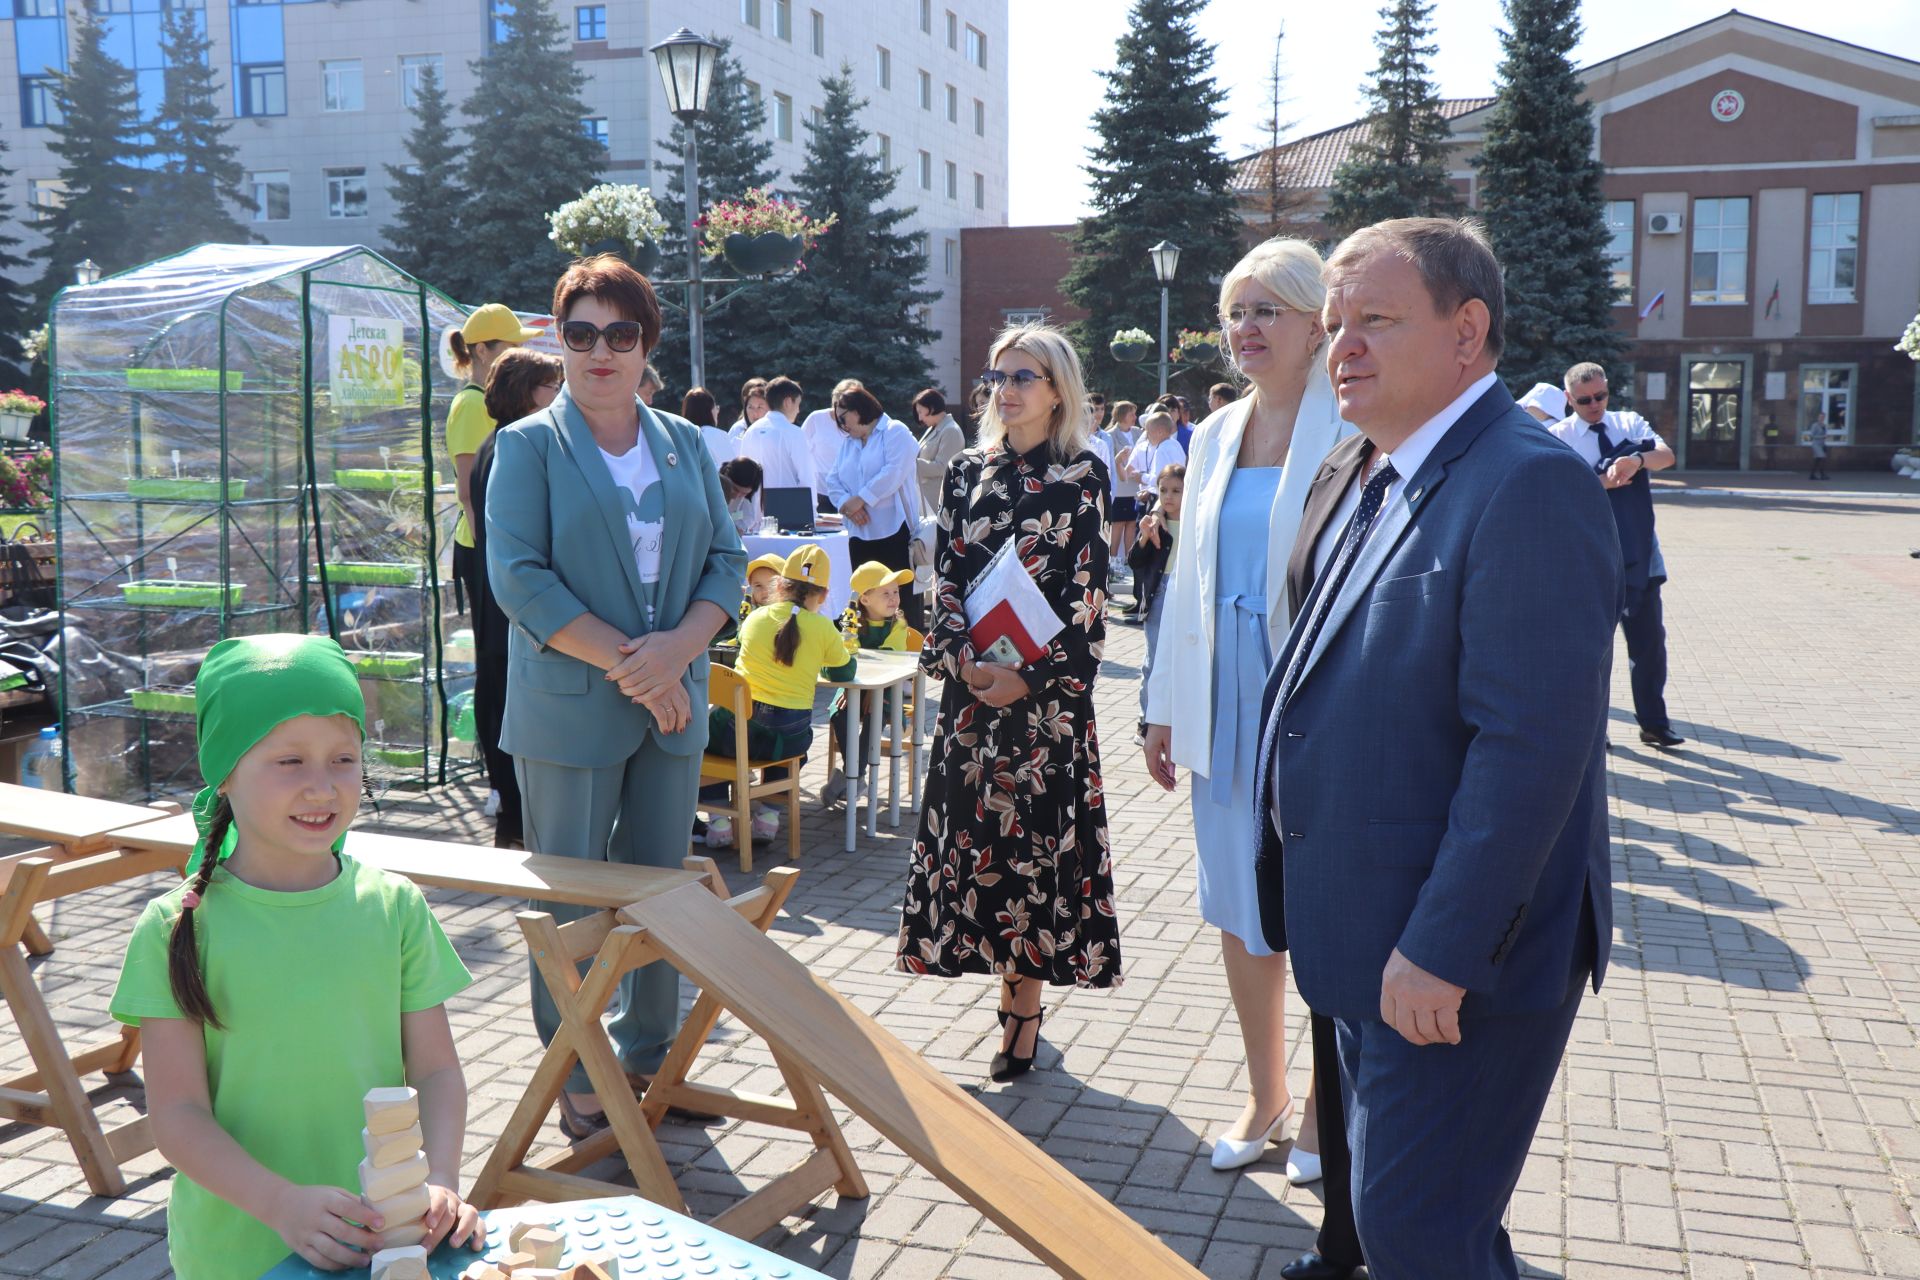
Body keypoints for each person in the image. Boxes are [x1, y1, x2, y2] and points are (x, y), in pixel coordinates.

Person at [1254, 218, 1618, 1277]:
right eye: (1334, 323)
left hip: (1454, 961)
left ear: (1468, 334)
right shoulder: (1362, 468)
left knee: (1418, 1233)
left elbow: (1529, 751)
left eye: (1375, 320)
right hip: (1365, 932)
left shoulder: (1525, 482)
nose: (1343, 347)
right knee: (1422, 1217)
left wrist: (1446, 946)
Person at [110, 634, 482, 1278]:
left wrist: (441, 1183)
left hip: (391, 1242)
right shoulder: (177, 928)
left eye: (344, 759)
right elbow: (176, 1114)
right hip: (239, 1254)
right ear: (225, 772)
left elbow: (437, 1072)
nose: (323, 788)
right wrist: (279, 1204)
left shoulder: (393, 905)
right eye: (289, 762)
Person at [485, 254, 746, 1138]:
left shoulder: (682, 441)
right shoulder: (526, 446)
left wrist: (676, 653)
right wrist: (638, 665)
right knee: (572, 903)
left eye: (621, 333)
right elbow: (518, 579)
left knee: (657, 887)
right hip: (571, 706)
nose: (601, 351)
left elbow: (726, 561)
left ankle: (648, 1059)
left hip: (669, 702)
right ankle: (579, 1072)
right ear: (560, 342)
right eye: (582, 333)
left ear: (647, 345)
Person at [1140, 236, 1353, 1179]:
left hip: (1309, 695)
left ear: (1317, 323)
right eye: (1237, 311)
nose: (1248, 327)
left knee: (1318, 905)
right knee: (1237, 906)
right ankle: (1265, 1093)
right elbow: (1185, 578)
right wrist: (1161, 705)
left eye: (1268, 309)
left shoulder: (1350, 424)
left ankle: (1321, 1106)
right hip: (1221, 699)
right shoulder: (1217, 431)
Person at [897, 323, 1119, 1082]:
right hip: (971, 702)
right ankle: (1000, 981)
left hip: (1041, 706)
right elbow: (945, 573)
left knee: (1028, 853)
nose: (1008, 389)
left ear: (1058, 389)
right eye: (998, 376)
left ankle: (1021, 1012)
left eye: (1026, 376)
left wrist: (1027, 676)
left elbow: (1087, 595)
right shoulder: (965, 471)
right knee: (978, 846)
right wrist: (956, 651)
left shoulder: (1083, 474)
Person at [1549, 361, 1683, 750]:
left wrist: (1636, 461)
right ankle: (1593, 730)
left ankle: (1654, 725)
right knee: (1591, 653)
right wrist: (1602, 482)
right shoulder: (1559, 436)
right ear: (1568, 399)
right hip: (1589, 559)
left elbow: (1666, 456)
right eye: (1585, 400)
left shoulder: (1629, 423)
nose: (1595, 405)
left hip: (1642, 555)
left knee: (1649, 646)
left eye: (1601, 396)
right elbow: (1557, 493)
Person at [701, 545, 856, 846]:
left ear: (780, 584)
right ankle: (769, 816)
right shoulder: (824, 628)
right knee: (797, 751)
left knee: (704, 742)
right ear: (823, 595)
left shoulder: (755, 620)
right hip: (787, 736)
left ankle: (719, 820)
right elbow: (843, 674)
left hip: (737, 731)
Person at [472, 349, 565, 847]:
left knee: (499, 699)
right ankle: (519, 814)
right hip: (514, 603)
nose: (560, 394)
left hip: (496, 598)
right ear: (528, 391)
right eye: (552, 385)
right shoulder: (518, 444)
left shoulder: (499, 443)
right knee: (511, 704)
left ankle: (514, 812)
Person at [446, 303, 539, 619]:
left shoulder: (486, 402)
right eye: (511, 346)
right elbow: (468, 492)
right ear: (483, 351)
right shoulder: (471, 404)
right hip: (481, 547)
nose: (519, 353)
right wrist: (491, 559)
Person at [822, 384, 925, 631]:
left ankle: (908, 649)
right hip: (859, 532)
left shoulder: (894, 431)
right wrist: (848, 506)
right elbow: (832, 480)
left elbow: (894, 471)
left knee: (898, 597)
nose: (843, 426)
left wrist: (861, 499)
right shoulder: (850, 443)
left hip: (894, 530)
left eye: (843, 418)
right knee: (865, 598)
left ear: (859, 410)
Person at [822, 560, 915, 802]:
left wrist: (872, 692)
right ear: (865, 599)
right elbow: (842, 656)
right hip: (854, 685)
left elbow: (888, 664)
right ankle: (857, 778)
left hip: (886, 689)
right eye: (886, 593)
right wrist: (849, 687)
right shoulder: (851, 621)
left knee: (874, 719)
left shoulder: (898, 625)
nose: (894, 598)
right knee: (839, 713)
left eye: (896, 592)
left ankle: (851, 776)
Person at [1128, 462, 1183, 742]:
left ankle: (1178, 718)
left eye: (1176, 490)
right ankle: (1145, 721)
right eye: (1163, 490)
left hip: (1187, 592)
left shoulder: (1197, 520)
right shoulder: (1154, 523)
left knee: (1183, 658)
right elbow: (1134, 561)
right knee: (1153, 660)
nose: (1169, 496)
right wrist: (1144, 539)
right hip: (1159, 593)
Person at [737, 375, 817, 507]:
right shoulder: (794, 433)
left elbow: (744, 475)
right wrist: (812, 512)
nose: (798, 410)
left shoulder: (751, 431)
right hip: (790, 510)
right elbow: (806, 477)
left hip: (756, 511)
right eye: (797, 404)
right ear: (787, 402)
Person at [802, 377, 866, 504]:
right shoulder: (816, 418)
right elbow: (801, 451)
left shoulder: (862, 422)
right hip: (819, 491)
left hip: (851, 491)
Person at [911, 387, 966, 517]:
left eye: (920, 412)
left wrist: (910, 462)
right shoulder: (934, 428)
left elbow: (943, 467)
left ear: (932, 407)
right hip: (926, 499)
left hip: (938, 502)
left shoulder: (950, 430)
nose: (919, 418)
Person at [1126, 408, 1186, 515]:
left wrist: (1142, 477)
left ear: (1159, 432)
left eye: (1148, 432)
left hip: (1162, 500)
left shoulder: (1161, 450)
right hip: (1178, 496)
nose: (1147, 436)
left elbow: (1159, 480)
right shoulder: (1176, 444)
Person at [1108, 400, 1142, 565]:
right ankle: (1112, 563)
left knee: (1131, 526)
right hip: (1120, 489)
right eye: (1131, 414)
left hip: (1135, 487)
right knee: (1118, 526)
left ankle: (1129, 564)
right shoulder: (1111, 435)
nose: (1135, 417)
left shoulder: (1139, 433)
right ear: (1122, 416)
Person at [682, 386, 737, 467]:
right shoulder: (717, 435)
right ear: (709, 411)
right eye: (716, 408)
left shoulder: (680, 435)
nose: (717, 412)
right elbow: (731, 470)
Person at [718, 456, 764, 539]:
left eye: (743, 493)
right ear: (726, 478)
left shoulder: (748, 498)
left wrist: (733, 518)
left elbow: (748, 517)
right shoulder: (711, 486)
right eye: (735, 489)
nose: (737, 495)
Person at [1807, 413, 1831, 480]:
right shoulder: (1815, 425)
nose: (1822, 418)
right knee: (1822, 457)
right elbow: (1812, 436)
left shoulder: (1824, 425)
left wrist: (1825, 438)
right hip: (1816, 444)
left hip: (1822, 444)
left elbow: (1824, 435)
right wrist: (1823, 436)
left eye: (1823, 417)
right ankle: (1822, 474)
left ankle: (1812, 475)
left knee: (1817, 460)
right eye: (1820, 417)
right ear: (1818, 417)